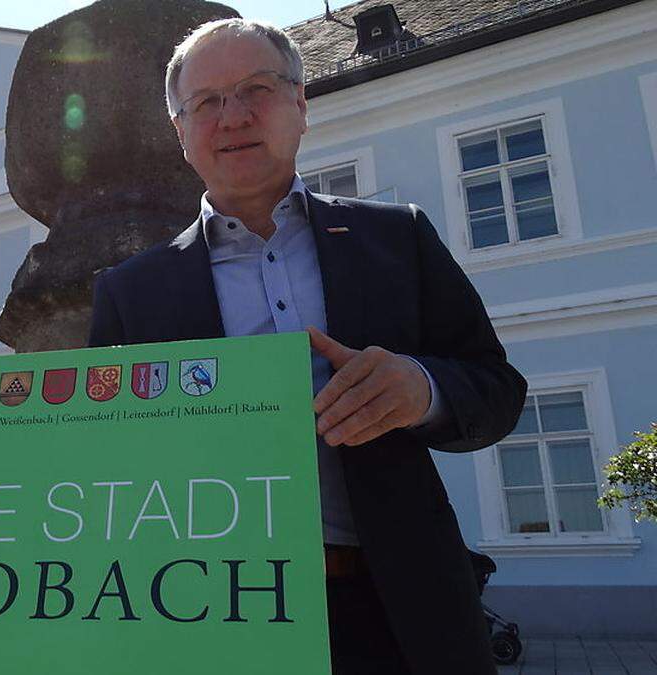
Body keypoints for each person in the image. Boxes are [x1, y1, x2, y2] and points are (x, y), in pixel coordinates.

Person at [87, 18, 527, 675]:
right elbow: (104, 464)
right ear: (180, 133)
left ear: (300, 105)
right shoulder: (130, 291)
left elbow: (496, 389)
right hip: (209, 612)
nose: (231, 116)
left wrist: (421, 389)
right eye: (205, 102)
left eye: (256, 90)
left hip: (399, 611)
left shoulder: (397, 239)